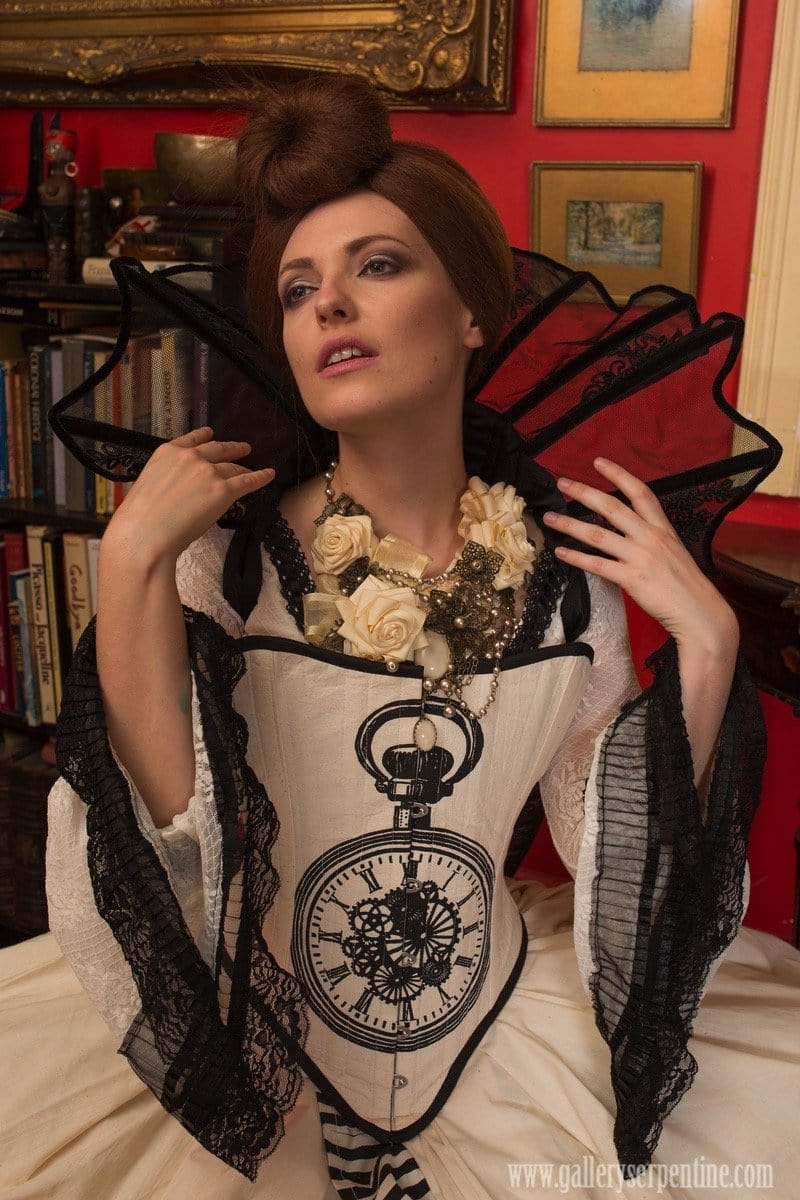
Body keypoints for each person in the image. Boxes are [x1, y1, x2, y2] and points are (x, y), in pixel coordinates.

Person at [1, 74, 799, 1200]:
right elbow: (174, 856)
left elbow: (613, 855)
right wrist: (128, 562)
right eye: (297, 290)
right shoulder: (222, 562)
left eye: (376, 265)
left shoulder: (571, 584)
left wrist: (706, 648)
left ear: (470, 310)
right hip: (253, 1040)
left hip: (501, 1036)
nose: (329, 305)